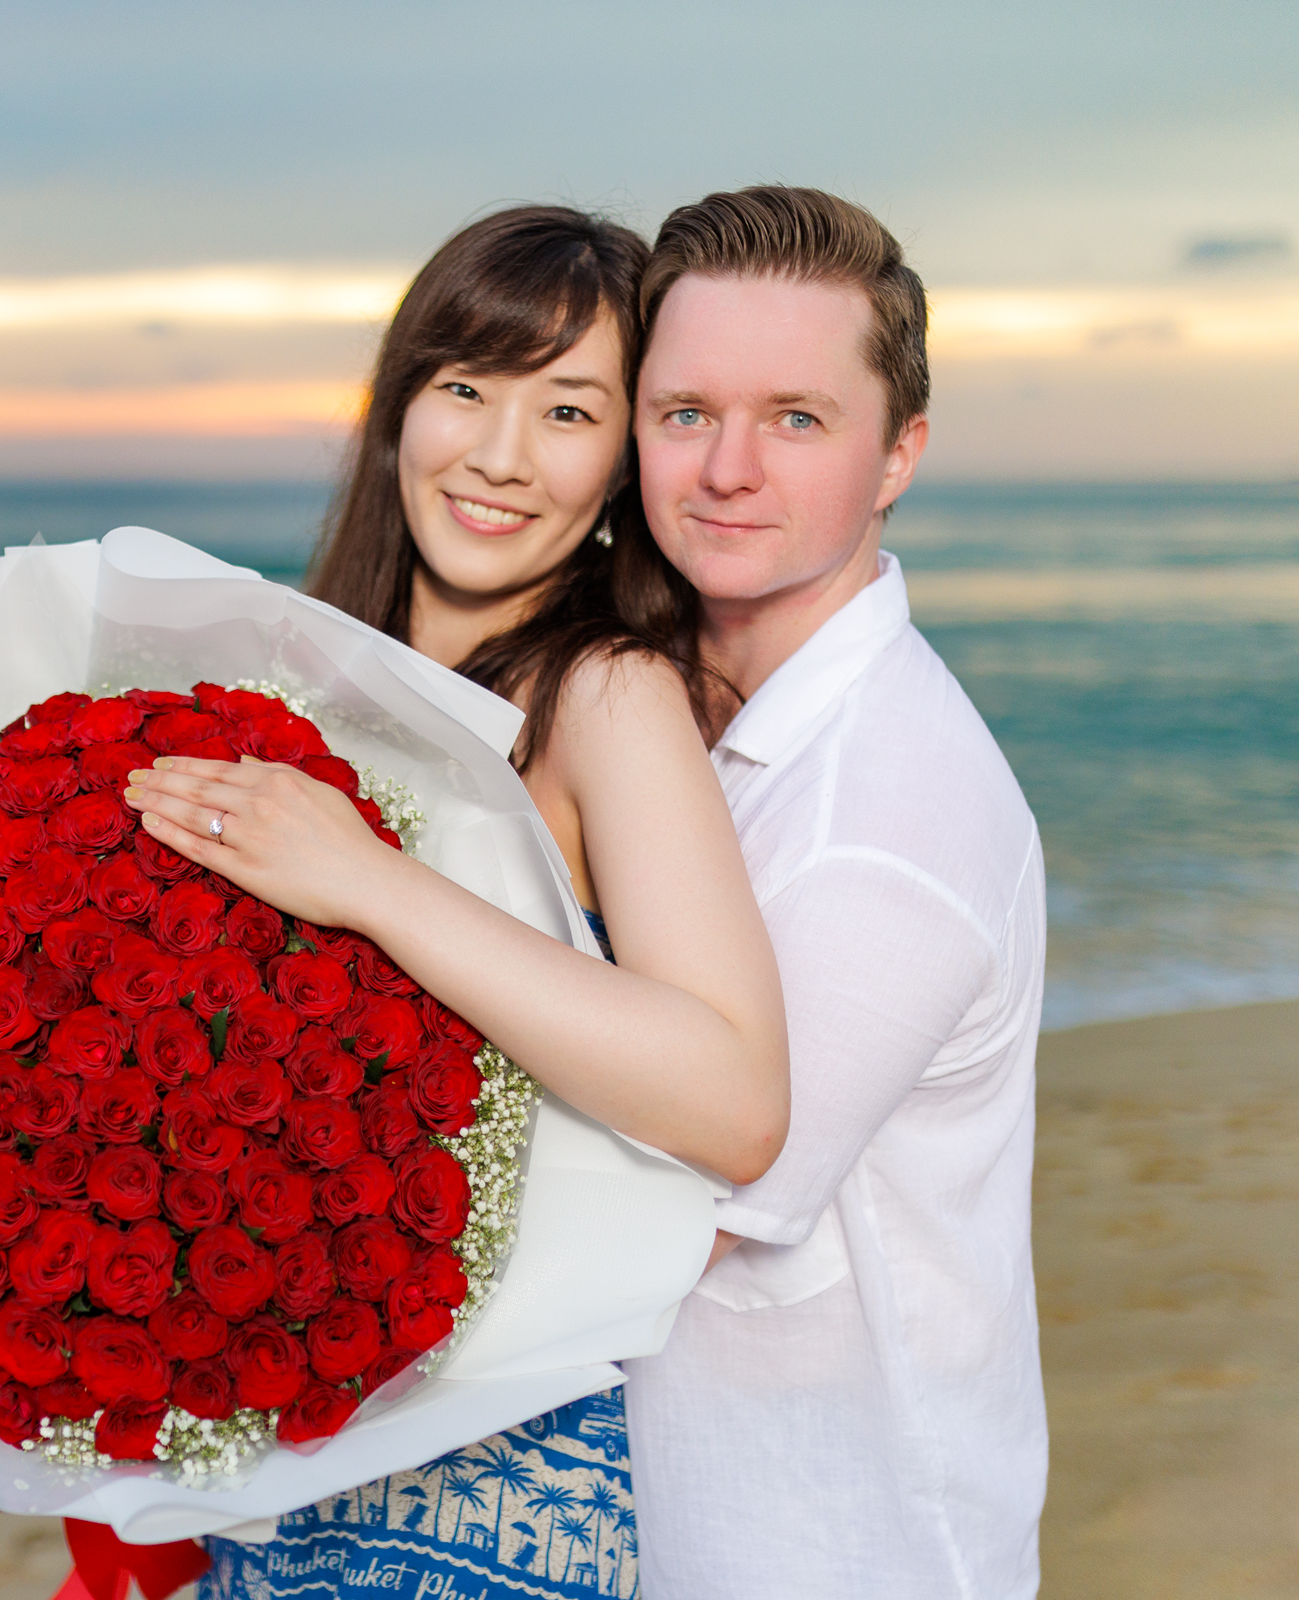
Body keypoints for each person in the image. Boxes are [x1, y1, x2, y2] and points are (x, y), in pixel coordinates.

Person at [122, 205, 792, 1599]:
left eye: (569, 411)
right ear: (399, 406)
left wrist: (371, 881)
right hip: (285, 1445)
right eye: (469, 388)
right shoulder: (306, 674)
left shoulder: (603, 693)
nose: (500, 455)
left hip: (496, 1480)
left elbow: (733, 1100)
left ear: (623, 463)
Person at [618, 186, 1048, 1599]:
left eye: (796, 418)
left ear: (897, 453)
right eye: (686, 412)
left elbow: (654, 1218)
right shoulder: (671, 715)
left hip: (834, 1547)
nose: (726, 470)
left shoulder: (882, 819)